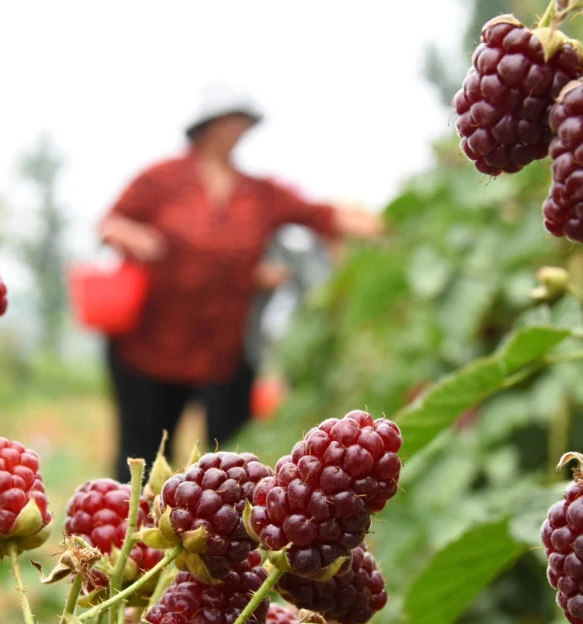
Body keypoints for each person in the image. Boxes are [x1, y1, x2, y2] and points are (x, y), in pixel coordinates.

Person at [99, 84, 381, 481]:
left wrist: (388, 225)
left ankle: (211, 539)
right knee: (141, 460)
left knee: (226, 467)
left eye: (244, 124)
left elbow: (320, 214)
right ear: (208, 127)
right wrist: (134, 237)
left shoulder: (259, 193)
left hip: (224, 350)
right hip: (152, 347)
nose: (238, 131)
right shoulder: (162, 179)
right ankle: (128, 538)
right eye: (232, 122)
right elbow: (111, 223)